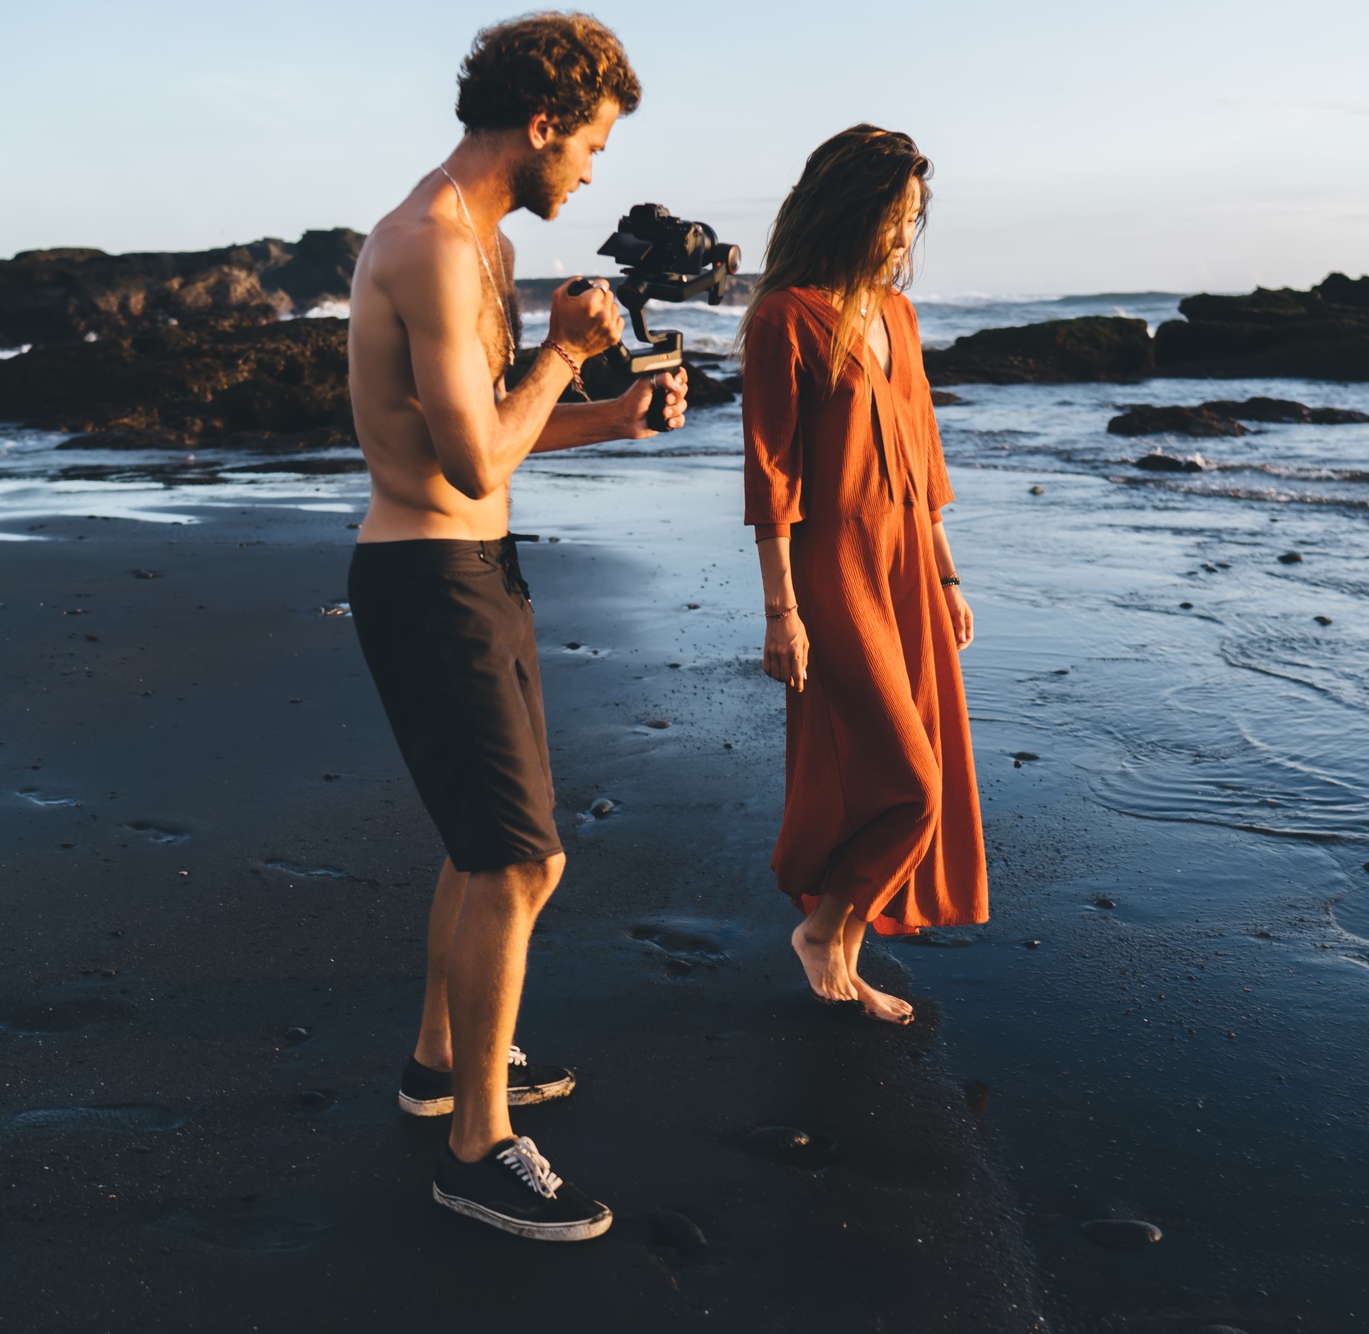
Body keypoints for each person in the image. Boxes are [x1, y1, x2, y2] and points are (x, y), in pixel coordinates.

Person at [345, 13, 686, 1242]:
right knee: (517, 858)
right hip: (426, 577)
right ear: (541, 126)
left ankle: (441, 1060)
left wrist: (620, 413)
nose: (593, 169)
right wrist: (562, 352)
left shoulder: (474, 239)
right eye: (589, 144)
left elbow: (497, 437)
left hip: (471, 561)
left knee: (486, 842)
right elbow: (471, 445)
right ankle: (475, 1144)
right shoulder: (432, 244)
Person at [739, 126, 987, 1027]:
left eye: (914, 219)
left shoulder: (900, 315)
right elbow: (772, 477)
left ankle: (838, 946)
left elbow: (924, 456)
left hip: (910, 567)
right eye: (896, 216)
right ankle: (824, 931)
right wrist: (782, 612)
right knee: (910, 779)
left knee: (916, 771)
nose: (904, 236)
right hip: (834, 569)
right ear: (853, 208)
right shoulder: (785, 318)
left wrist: (950, 578)